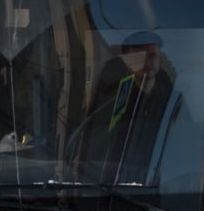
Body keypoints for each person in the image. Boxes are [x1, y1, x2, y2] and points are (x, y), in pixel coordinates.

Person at [70, 31, 182, 184]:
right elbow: (94, 142)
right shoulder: (113, 92)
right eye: (140, 55)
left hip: (157, 186)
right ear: (128, 59)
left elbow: (185, 144)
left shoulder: (171, 97)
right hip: (110, 186)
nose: (148, 63)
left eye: (152, 56)